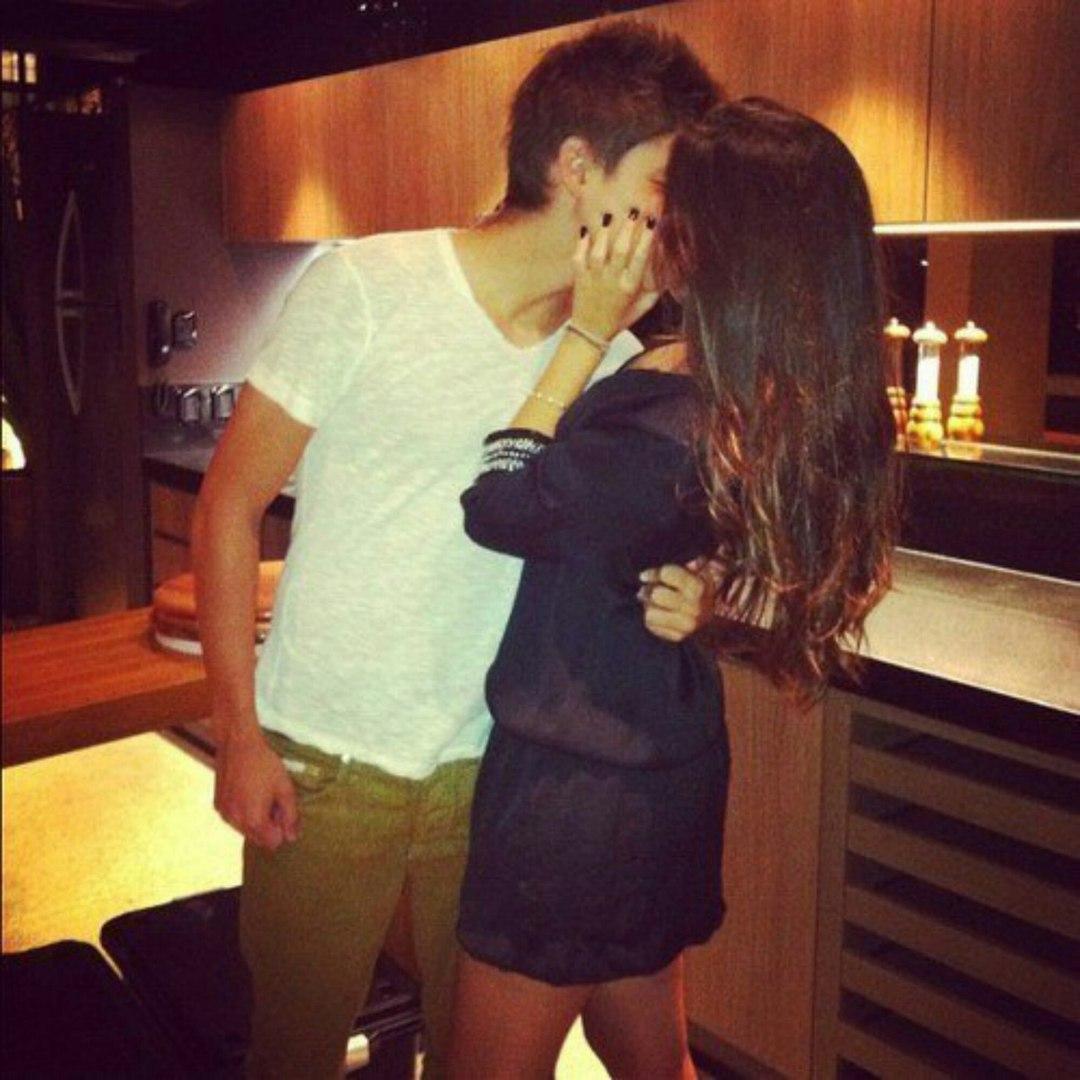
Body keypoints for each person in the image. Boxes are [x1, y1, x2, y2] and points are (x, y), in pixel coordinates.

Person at [192, 21, 720, 1079]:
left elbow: (622, 555)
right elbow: (228, 506)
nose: (679, 222)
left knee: (473, 1056)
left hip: (496, 770)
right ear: (578, 168)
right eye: (665, 186)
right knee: (293, 1048)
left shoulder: (613, 361)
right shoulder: (369, 286)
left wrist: (694, 590)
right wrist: (239, 734)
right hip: (325, 756)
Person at [448, 97, 898, 1079]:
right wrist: (716, 601)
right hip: (658, 765)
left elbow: (498, 506)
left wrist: (584, 333)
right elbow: (722, 547)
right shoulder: (756, 391)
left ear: (716, 241)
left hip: (578, 790)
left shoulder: (662, 421)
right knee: (650, 1053)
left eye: (669, 205)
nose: (652, 225)